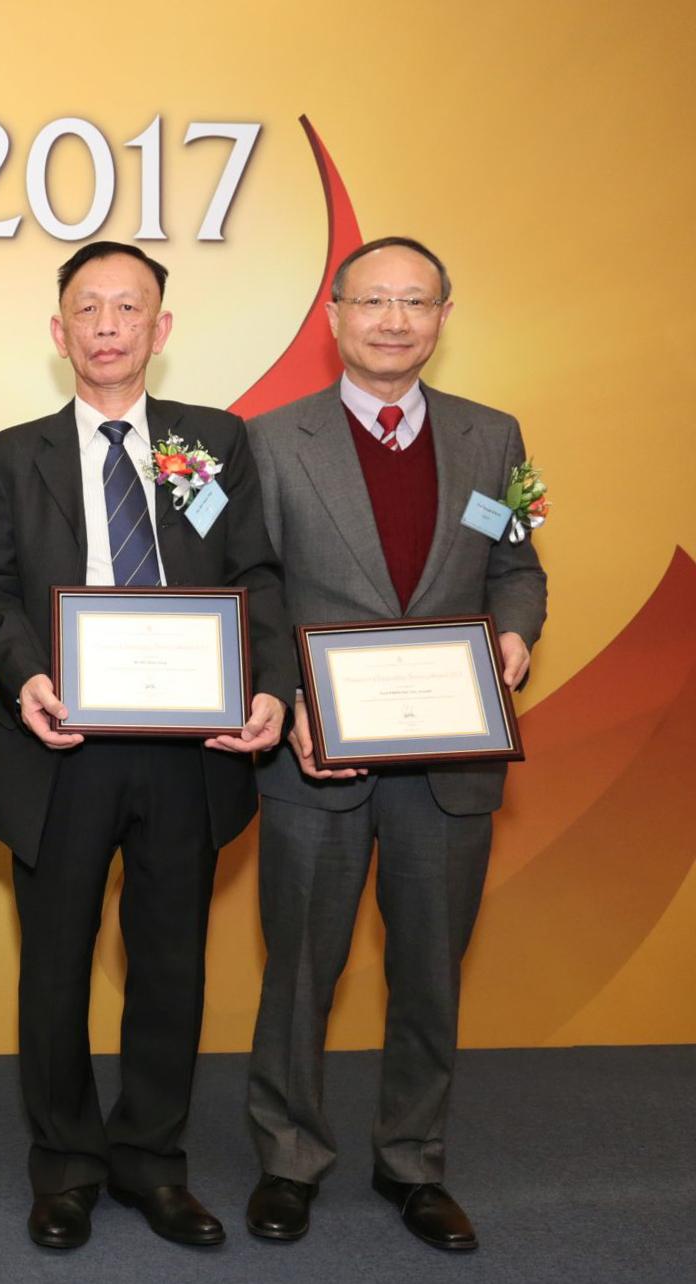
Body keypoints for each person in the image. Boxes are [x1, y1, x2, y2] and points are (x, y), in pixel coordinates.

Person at [0, 241, 291, 1250]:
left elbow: (255, 576)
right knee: (54, 967)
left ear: (160, 330)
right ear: (56, 331)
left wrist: (269, 689)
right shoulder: (5, 454)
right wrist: (25, 674)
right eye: (87, 308)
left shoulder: (215, 443)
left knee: (169, 963)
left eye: (128, 308)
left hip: (188, 745)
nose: (106, 325)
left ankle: (151, 1159)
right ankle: (64, 1162)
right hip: (58, 741)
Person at [242, 237, 546, 1251]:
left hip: (448, 761)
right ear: (332, 316)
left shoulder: (489, 436)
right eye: (370, 300)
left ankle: (411, 1164)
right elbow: (255, 587)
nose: (391, 319)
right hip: (314, 756)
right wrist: (285, 703)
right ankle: (287, 1158)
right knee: (300, 970)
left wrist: (511, 628)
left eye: (413, 302)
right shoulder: (269, 439)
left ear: (441, 317)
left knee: (428, 969)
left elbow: (514, 566)